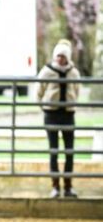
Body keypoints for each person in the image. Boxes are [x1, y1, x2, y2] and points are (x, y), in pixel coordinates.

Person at [37, 39, 80, 198]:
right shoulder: (47, 71)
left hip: (68, 114)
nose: (59, 59)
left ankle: (68, 186)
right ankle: (55, 186)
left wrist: (71, 104)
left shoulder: (73, 72)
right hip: (52, 115)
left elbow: (76, 89)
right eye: (57, 56)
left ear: (67, 57)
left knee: (69, 151)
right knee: (54, 151)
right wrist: (44, 106)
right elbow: (39, 90)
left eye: (62, 56)